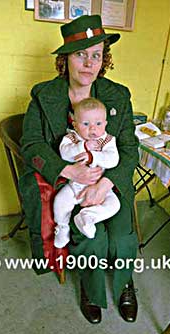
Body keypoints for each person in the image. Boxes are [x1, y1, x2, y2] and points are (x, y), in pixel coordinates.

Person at [19, 14, 139, 324]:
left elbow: (129, 149)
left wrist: (107, 183)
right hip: (68, 183)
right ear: (66, 60)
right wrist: (67, 171)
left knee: (123, 233)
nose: (88, 63)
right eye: (80, 54)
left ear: (104, 60)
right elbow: (31, 144)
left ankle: (126, 282)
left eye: (96, 55)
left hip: (108, 181)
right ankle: (92, 288)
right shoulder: (44, 94)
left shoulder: (117, 95)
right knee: (93, 238)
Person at [53, 97, 120, 248]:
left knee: (114, 205)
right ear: (75, 125)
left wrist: (92, 156)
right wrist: (83, 147)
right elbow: (64, 153)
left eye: (98, 124)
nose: (93, 129)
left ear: (105, 124)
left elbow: (113, 160)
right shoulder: (71, 138)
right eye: (85, 124)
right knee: (60, 201)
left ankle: (87, 217)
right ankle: (62, 228)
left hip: (100, 184)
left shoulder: (107, 140)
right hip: (75, 185)